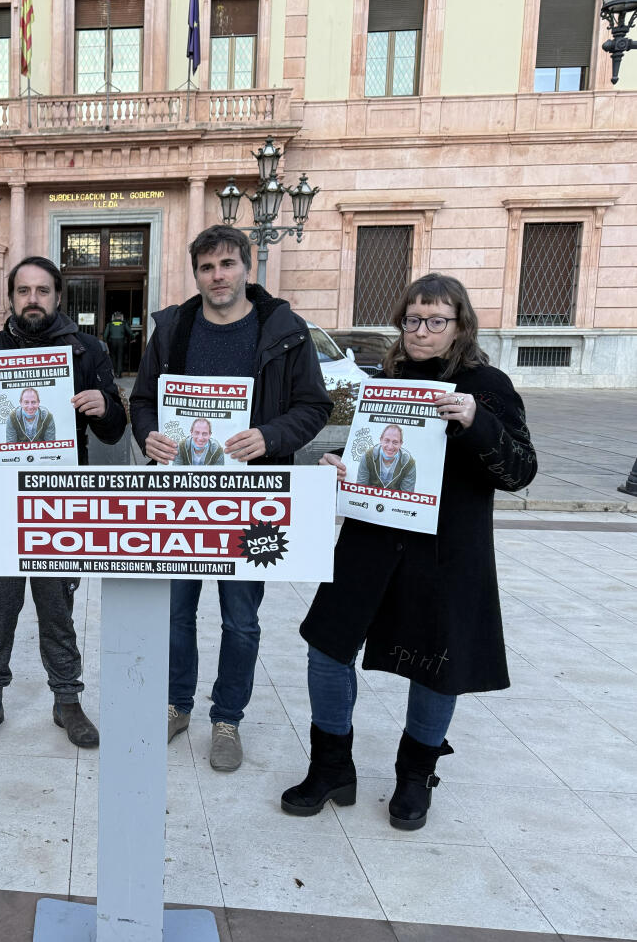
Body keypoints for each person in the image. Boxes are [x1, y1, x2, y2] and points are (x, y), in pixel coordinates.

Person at [280, 273, 536, 830]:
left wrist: (474, 420)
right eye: (412, 319)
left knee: (436, 664)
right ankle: (330, 767)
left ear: (460, 325)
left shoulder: (486, 386)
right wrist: (341, 466)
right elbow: (368, 450)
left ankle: (415, 775)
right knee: (325, 648)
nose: (421, 331)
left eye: (435, 321)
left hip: (446, 553)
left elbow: (520, 470)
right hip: (371, 542)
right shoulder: (387, 379)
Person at [130, 225, 331, 769]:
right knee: (176, 612)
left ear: (248, 267)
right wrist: (147, 432)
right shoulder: (173, 329)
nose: (218, 276)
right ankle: (176, 704)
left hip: (254, 499)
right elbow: (144, 400)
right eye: (206, 267)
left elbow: (314, 407)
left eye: (227, 264)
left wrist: (271, 436)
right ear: (195, 274)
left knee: (241, 618)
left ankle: (227, 718)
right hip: (182, 498)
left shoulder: (284, 330)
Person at [0, 255, 126, 749]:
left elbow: (113, 430)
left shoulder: (87, 351)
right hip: (3, 499)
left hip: (62, 502)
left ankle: (67, 700)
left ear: (58, 297)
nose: (33, 300)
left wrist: (105, 406)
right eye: (24, 291)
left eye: (42, 291)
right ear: (9, 297)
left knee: (58, 607)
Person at [356, 423, 416, 492]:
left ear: (401, 444)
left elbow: (407, 495)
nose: (390, 447)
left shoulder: (408, 463)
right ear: (381, 440)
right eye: (387, 440)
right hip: (369, 499)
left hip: (395, 501)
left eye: (395, 442)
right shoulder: (368, 457)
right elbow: (360, 489)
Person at [102, 310, 129, 378]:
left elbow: (105, 335)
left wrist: (105, 342)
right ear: (121, 317)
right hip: (121, 342)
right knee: (120, 357)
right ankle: (119, 374)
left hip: (112, 342)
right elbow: (130, 332)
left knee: (113, 357)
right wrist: (133, 337)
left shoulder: (110, 324)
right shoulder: (124, 323)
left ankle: (113, 373)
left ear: (114, 317)